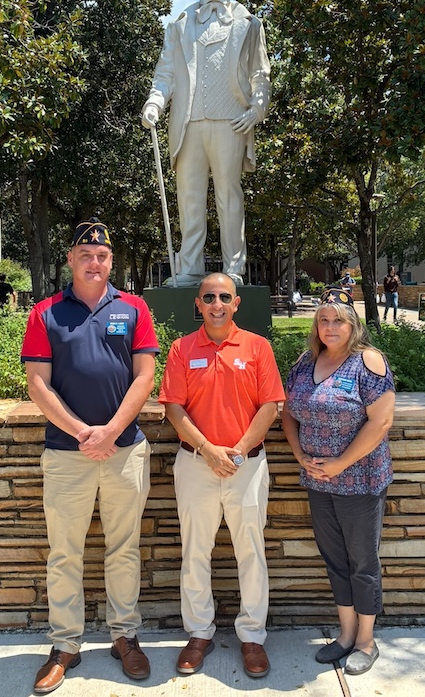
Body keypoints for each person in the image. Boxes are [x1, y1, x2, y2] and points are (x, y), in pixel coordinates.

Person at [21, 218, 160, 694]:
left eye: (101, 255)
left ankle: (125, 636)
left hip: (125, 451)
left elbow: (144, 377)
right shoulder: (45, 313)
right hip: (66, 451)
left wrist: (112, 431)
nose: (94, 262)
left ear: (110, 261)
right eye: (85, 255)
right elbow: (37, 383)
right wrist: (85, 433)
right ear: (71, 260)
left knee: (124, 549)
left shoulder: (135, 308)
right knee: (65, 553)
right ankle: (65, 645)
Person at [158, 273, 285, 678]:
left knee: (251, 553)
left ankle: (252, 637)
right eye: (209, 297)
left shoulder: (257, 347)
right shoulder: (181, 349)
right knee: (195, 552)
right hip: (196, 465)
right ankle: (198, 634)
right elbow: (174, 409)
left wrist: (239, 449)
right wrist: (209, 450)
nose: (216, 303)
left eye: (224, 297)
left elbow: (270, 406)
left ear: (236, 303)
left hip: (246, 466)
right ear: (198, 304)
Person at [281, 287, 395, 677]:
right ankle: (345, 636)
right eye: (324, 320)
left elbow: (380, 422)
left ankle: (366, 641)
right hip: (318, 482)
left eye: (339, 320)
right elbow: (288, 413)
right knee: (335, 561)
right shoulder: (304, 362)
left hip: (359, 482)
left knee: (362, 562)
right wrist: (300, 456)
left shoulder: (368, 362)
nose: (330, 327)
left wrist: (341, 463)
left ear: (353, 325)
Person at [141, 0, 271, 287]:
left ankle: (233, 269)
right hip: (188, 123)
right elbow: (165, 73)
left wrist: (257, 109)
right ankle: (189, 269)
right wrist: (155, 102)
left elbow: (260, 74)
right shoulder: (180, 24)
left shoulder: (250, 24)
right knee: (190, 197)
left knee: (229, 194)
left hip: (231, 122)